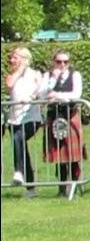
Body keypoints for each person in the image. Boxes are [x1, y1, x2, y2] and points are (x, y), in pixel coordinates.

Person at [40, 50, 85, 197]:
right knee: (59, 154)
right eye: (59, 61)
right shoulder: (48, 76)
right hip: (54, 116)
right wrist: (53, 80)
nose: (62, 65)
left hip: (70, 115)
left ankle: (75, 185)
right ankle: (62, 187)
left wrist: (57, 95)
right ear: (54, 62)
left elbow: (76, 95)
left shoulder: (75, 75)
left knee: (73, 154)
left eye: (65, 62)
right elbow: (42, 95)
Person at [6, 47, 42, 197]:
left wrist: (31, 98)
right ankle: (31, 188)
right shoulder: (12, 75)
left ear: (24, 58)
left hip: (31, 116)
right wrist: (19, 71)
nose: (12, 60)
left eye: (15, 57)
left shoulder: (35, 74)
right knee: (21, 147)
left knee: (18, 138)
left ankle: (19, 171)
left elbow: (39, 91)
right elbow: (9, 85)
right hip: (15, 118)